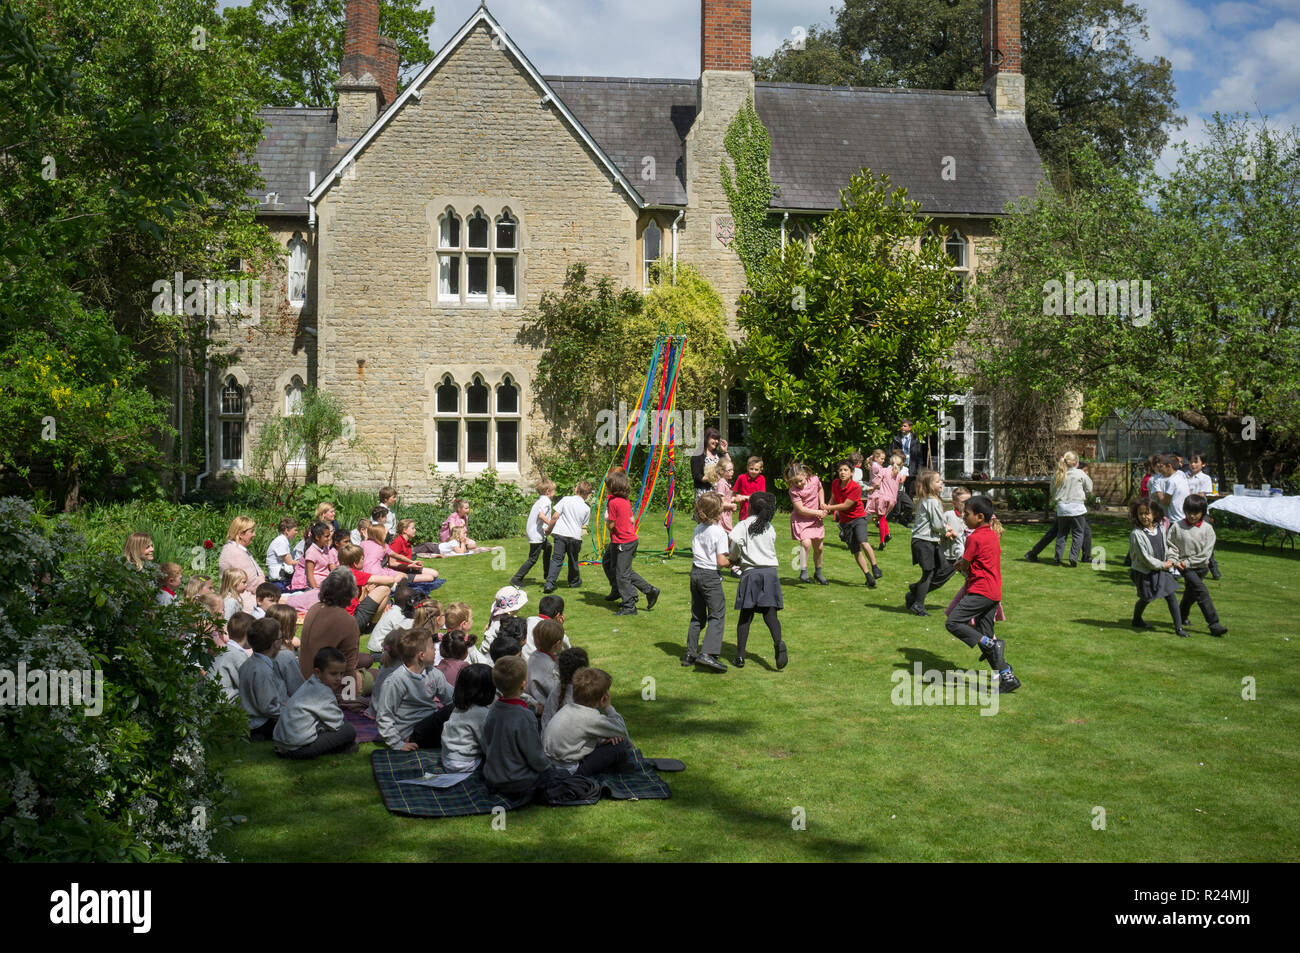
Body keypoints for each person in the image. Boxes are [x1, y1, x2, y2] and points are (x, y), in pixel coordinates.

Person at [944, 496, 1021, 693]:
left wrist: (960, 565)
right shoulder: (992, 535)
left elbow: (967, 566)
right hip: (994, 592)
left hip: (980, 591)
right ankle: (1007, 676)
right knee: (985, 631)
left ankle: (991, 644)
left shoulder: (974, 537)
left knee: (953, 622)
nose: (963, 517)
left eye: (967, 514)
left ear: (979, 517)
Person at [482, 656, 567, 799]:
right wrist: (547, 768)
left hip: (493, 776)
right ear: (523, 685)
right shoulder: (524, 716)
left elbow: (486, 742)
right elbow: (535, 755)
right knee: (563, 775)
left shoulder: (493, 709)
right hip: (518, 780)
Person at [728, 491, 787, 670]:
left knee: (746, 616)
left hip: (751, 573)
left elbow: (735, 540)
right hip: (770, 573)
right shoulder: (769, 527)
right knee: (771, 615)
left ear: (750, 507)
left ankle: (740, 656)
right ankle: (778, 643)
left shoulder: (744, 525)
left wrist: (734, 557)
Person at [543, 667, 636, 775]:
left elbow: (580, 736)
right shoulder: (591, 718)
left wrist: (603, 741)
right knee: (619, 746)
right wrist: (608, 707)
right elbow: (622, 730)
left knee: (611, 741)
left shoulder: (568, 708)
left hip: (552, 765)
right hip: (571, 771)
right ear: (603, 698)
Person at [374, 627, 454, 750]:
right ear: (421, 655)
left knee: (460, 706)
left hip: (430, 725)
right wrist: (397, 744)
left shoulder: (433, 673)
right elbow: (384, 715)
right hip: (411, 733)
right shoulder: (397, 680)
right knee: (452, 710)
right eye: (432, 648)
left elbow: (451, 697)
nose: (435, 652)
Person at [273, 647, 359, 759]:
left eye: (341, 674)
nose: (338, 678)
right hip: (297, 749)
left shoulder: (310, 683)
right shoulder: (323, 693)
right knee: (349, 730)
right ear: (317, 672)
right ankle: (342, 748)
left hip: (282, 745)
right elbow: (337, 724)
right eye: (333, 674)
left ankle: (343, 747)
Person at [298, 568, 365, 700]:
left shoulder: (314, 608)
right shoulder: (347, 621)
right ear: (350, 593)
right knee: (375, 675)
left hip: (304, 677)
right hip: (326, 685)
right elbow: (349, 667)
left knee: (367, 659)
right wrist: (349, 698)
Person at [1167, 494, 1228, 637]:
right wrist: (1176, 561)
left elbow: (1206, 553)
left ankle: (1181, 616)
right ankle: (1214, 624)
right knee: (1201, 591)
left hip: (1201, 566)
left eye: (1196, 513)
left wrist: (1189, 561)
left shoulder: (1208, 529)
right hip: (1184, 567)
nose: (1192, 516)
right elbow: (1172, 546)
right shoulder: (1177, 526)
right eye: (1188, 512)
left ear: (1203, 513)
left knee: (1191, 593)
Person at [683, 492, 730, 671]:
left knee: (697, 616)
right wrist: (734, 560)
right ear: (718, 512)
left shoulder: (698, 528)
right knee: (717, 614)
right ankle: (708, 654)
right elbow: (721, 561)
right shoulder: (719, 532)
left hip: (695, 574)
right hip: (710, 576)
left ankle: (690, 653)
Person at [602, 470, 660, 616]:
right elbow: (631, 519)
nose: (606, 489)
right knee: (620, 570)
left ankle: (629, 606)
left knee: (622, 575)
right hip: (627, 540)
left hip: (623, 542)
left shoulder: (613, 502)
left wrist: (607, 521)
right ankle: (648, 591)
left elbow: (611, 525)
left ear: (613, 487)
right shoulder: (625, 500)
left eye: (607, 486)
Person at [1127, 501, 1187, 637]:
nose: (1144, 517)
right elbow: (1145, 558)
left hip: (1161, 570)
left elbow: (1166, 547)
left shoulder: (1160, 528)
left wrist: (1171, 560)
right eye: (1140, 514)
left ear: (1154, 514)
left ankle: (1179, 628)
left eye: (1147, 513)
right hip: (1144, 572)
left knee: (1170, 595)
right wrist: (1162, 565)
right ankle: (1136, 620)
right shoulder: (1136, 534)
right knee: (1146, 598)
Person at [906, 470, 957, 616]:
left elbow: (936, 522)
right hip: (924, 541)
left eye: (941, 480)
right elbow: (937, 524)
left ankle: (915, 592)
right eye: (937, 481)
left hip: (929, 541)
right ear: (929, 485)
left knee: (944, 568)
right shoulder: (931, 501)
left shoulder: (930, 500)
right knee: (929, 572)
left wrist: (944, 528)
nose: (941, 483)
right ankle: (918, 605)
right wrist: (946, 531)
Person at [825, 459, 882, 587]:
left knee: (863, 541)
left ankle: (875, 567)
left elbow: (846, 505)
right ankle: (868, 576)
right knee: (856, 551)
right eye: (840, 470)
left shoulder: (855, 487)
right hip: (845, 522)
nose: (842, 472)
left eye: (845, 470)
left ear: (852, 473)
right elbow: (834, 498)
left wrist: (827, 508)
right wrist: (827, 508)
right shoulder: (835, 483)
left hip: (858, 518)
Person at [239, 618, 290, 741]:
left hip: (252, 721)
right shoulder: (262, 670)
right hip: (260, 724)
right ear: (275, 643)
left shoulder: (249, 663)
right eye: (280, 637)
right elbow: (267, 707)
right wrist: (288, 711)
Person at [440, 663, 497, 773]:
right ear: (488, 690)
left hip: (447, 758)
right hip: (464, 764)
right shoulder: (481, 713)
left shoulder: (460, 707)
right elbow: (487, 745)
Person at [543, 481, 593, 593]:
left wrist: (549, 529)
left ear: (576, 489)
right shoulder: (587, 508)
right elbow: (584, 524)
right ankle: (574, 581)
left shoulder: (565, 499)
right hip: (575, 537)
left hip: (561, 534)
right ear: (588, 495)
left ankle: (549, 583)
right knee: (573, 559)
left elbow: (555, 516)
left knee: (556, 559)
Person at [785, 463, 828, 585]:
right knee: (806, 543)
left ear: (805, 475)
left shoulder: (814, 480)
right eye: (795, 483)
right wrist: (818, 512)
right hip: (802, 519)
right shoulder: (793, 491)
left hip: (815, 519)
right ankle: (803, 571)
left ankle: (818, 572)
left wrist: (822, 503)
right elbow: (800, 509)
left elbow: (820, 489)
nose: (799, 484)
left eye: (800, 481)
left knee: (819, 547)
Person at [510, 479, 557, 587]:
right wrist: (551, 524)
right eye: (554, 491)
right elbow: (541, 515)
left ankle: (547, 574)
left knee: (548, 547)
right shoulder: (546, 501)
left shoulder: (540, 500)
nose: (554, 494)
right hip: (536, 534)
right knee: (533, 559)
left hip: (534, 532)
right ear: (548, 491)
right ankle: (516, 579)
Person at [219, 516, 268, 614]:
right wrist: (266, 589)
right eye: (251, 531)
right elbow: (252, 582)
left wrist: (262, 580)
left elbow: (258, 572)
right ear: (241, 534)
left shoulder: (239, 549)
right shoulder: (235, 553)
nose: (254, 534)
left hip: (248, 594)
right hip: (242, 598)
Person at [889, 419, 929, 517]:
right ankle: (897, 513)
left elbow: (919, 457)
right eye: (902, 426)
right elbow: (891, 453)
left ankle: (908, 515)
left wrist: (918, 471)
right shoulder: (896, 439)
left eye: (905, 426)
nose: (902, 428)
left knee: (910, 492)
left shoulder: (915, 440)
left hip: (911, 468)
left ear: (910, 428)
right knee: (898, 491)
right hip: (898, 467)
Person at [264, 602, 306, 696]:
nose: (297, 627)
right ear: (285, 628)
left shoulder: (263, 648)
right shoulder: (285, 655)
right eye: (294, 624)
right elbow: (298, 689)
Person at [865, 451, 904, 550]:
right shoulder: (898, 474)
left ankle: (882, 541)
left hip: (883, 498)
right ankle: (887, 535)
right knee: (882, 517)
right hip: (893, 500)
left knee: (881, 518)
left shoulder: (884, 470)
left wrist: (871, 489)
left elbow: (877, 484)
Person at [212, 611, 253, 702]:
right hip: (225, 704)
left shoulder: (226, 650)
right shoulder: (237, 656)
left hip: (215, 700)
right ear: (247, 635)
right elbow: (248, 686)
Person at [526, 619, 565, 704]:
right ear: (558, 644)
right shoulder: (551, 667)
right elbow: (555, 693)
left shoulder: (533, 656)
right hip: (543, 708)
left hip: (533, 702)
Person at [524, 594, 570, 661]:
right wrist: (559, 628)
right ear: (558, 615)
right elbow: (567, 650)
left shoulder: (529, 620)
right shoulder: (555, 631)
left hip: (523, 663)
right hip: (542, 666)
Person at [690, 426, 727, 501]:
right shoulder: (698, 455)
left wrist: (725, 451)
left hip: (718, 492)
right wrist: (713, 477)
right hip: (703, 493)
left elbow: (729, 466)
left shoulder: (719, 454)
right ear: (706, 438)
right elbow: (697, 476)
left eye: (717, 439)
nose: (716, 441)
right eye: (713, 438)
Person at [1154, 453, 1191, 525]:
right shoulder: (1182, 476)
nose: (1159, 469)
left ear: (1169, 466)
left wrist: (1160, 493)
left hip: (1176, 518)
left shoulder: (1172, 481)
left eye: (1161, 466)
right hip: (1186, 516)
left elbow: (1165, 502)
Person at [265, 517, 299, 589]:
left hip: (281, 576)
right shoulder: (281, 541)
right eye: (295, 530)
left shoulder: (283, 540)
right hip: (278, 579)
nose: (297, 532)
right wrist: (303, 562)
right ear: (287, 530)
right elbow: (289, 561)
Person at [732, 456, 766, 523]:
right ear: (747, 468)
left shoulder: (762, 479)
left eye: (756, 470)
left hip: (757, 511)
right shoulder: (741, 478)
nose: (753, 471)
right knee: (743, 531)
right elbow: (734, 492)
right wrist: (734, 500)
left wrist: (745, 497)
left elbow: (761, 496)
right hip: (744, 512)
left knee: (756, 531)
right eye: (751, 469)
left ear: (760, 470)